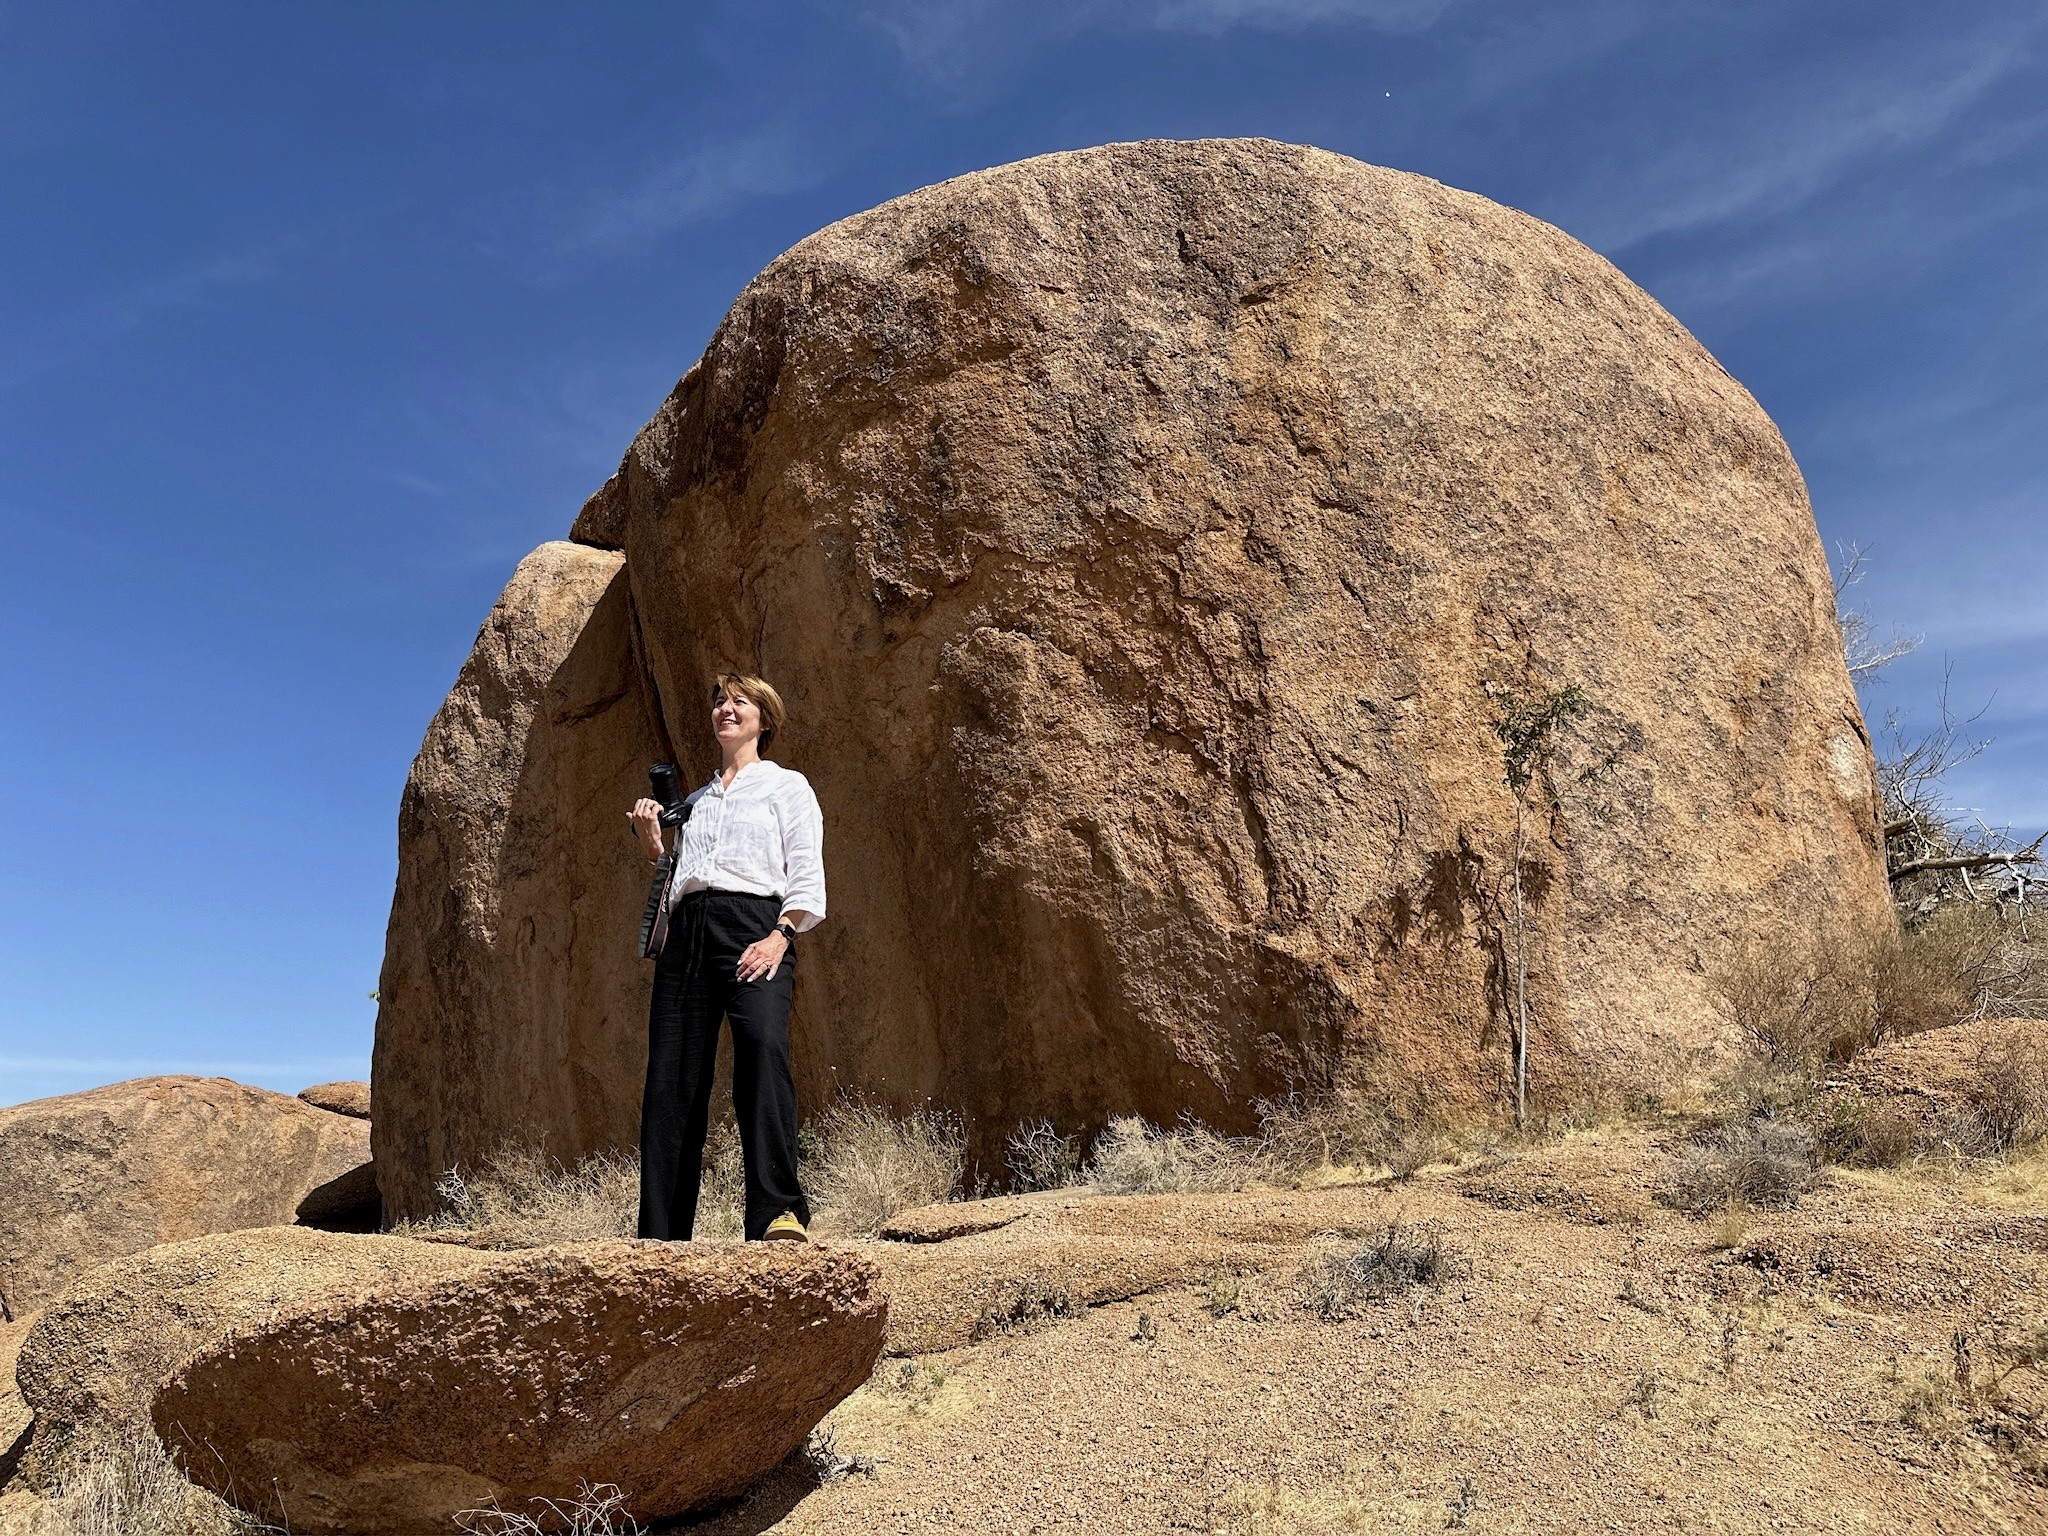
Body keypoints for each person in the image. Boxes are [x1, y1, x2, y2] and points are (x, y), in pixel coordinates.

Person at [627, 673, 826, 1242]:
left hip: (756, 927)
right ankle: (662, 1235)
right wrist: (653, 846)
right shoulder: (694, 802)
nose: (726, 709)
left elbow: (806, 876)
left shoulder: (788, 788)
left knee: (763, 1051)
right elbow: (679, 876)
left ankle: (778, 1212)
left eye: (740, 701)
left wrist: (779, 935)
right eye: (719, 700)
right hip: (688, 933)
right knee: (672, 1078)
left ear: (765, 720)